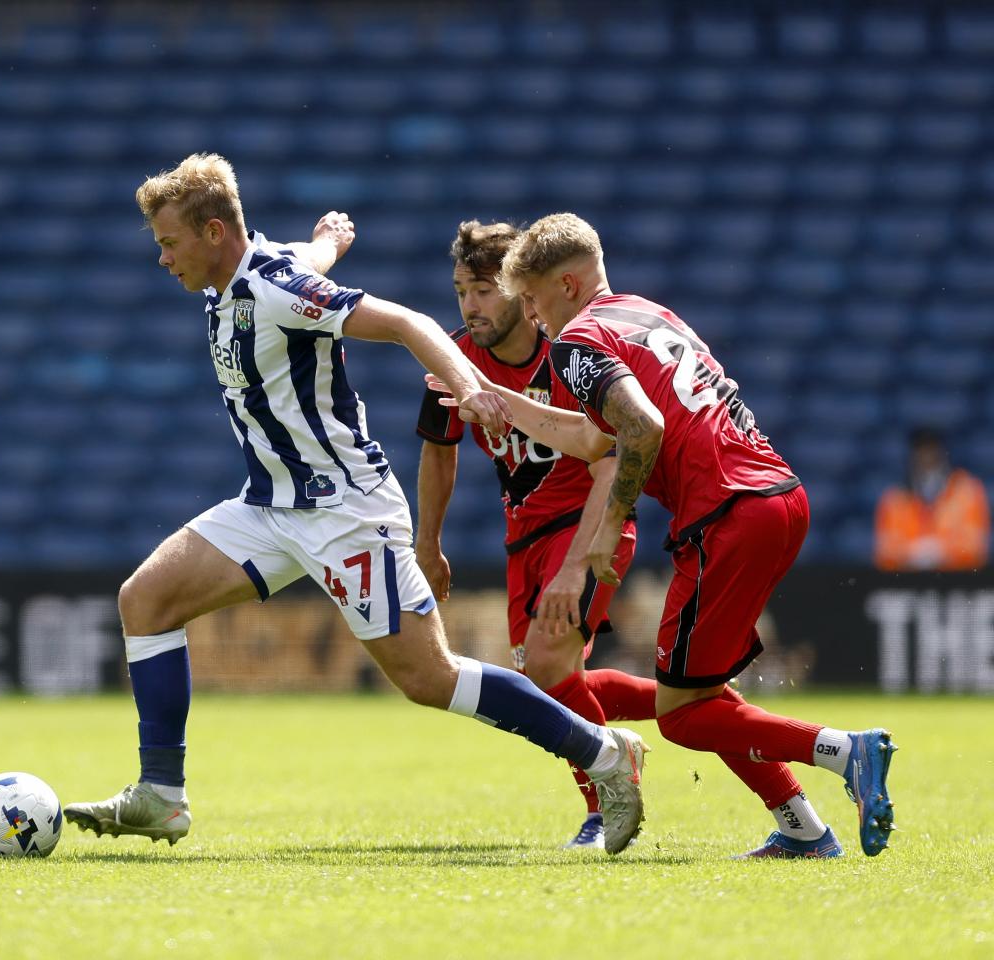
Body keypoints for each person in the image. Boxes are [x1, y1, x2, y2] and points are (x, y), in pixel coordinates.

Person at [62, 155, 650, 856]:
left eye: (169, 242)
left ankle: (604, 754)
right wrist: (329, 242)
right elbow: (302, 258)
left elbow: (405, 321)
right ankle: (161, 794)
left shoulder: (278, 289)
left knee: (429, 678)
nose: (162, 258)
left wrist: (468, 386)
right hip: (270, 506)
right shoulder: (250, 273)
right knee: (145, 599)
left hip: (345, 513)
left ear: (214, 232)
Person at [436, 211, 897, 858]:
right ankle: (802, 828)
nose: (533, 315)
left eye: (534, 298)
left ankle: (846, 751)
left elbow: (643, 427)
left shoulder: (577, 341)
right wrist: (493, 395)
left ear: (566, 285)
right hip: (778, 497)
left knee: (681, 716)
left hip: (724, 515)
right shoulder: (647, 314)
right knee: (696, 694)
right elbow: (591, 436)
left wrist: (605, 528)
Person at [416, 221, 658, 850]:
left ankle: (604, 804)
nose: (470, 306)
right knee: (551, 679)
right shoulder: (454, 361)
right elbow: (439, 451)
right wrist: (428, 543)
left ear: (522, 294)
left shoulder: (569, 353)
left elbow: (610, 455)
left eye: (483, 291)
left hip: (585, 524)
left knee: (548, 667)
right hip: (522, 536)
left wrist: (578, 562)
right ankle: (687, 700)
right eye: (461, 292)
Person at [874, 426, 989, 571]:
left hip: (958, 578)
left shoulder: (967, 492)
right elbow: (885, 551)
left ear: (943, 452)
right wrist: (913, 553)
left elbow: (975, 546)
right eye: (920, 451)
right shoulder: (895, 498)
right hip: (908, 578)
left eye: (932, 450)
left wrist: (941, 551)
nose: (926, 457)